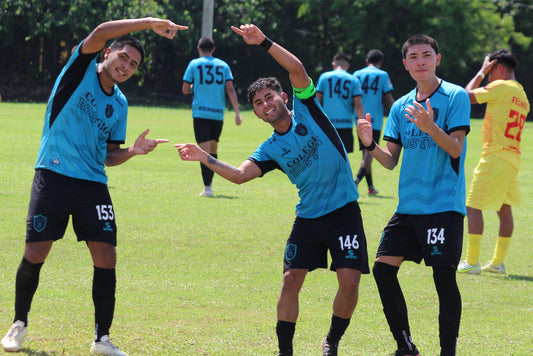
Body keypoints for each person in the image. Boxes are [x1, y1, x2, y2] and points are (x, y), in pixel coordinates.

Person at [176, 24, 369, 356]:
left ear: (283, 96)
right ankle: (285, 352)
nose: (266, 103)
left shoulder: (308, 108)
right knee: (290, 280)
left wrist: (263, 42)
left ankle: (332, 340)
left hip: (344, 213)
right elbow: (238, 175)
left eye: (270, 96)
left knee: (350, 283)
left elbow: (296, 69)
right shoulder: (270, 148)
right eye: (259, 102)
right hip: (308, 218)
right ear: (256, 112)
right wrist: (204, 156)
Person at [0, 18, 188, 355]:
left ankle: (102, 338)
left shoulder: (119, 103)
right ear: (108, 52)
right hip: (53, 175)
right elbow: (100, 31)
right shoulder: (80, 69)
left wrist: (132, 151)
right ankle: (18, 324)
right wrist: (148, 23)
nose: (126, 66)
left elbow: (109, 156)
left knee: (106, 256)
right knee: (35, 252)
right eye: (123, 58)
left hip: (92, 184)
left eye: (133, 65)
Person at [357, 34, 470, 356]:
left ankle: (447, 351)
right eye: (414, 57)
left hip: (443, 205)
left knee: (443, 279)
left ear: (438, 58)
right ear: (405, 65)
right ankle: (406, 347)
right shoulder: (401, 106)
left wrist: (431, 127)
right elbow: (391, 161)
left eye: (427, 55)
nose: (421, 61)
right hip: (409, 207)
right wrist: (369, 144)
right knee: (382, 269)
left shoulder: (455, 96)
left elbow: (456, 148)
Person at [458, 49, 530, 275]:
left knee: (473, 206)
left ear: (498, 67)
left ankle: (471, 261)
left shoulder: (502, 87)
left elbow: (465, 96)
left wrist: (480, 72)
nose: (489, 78)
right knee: (504, 209)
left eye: (491, 71)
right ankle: (497, 263)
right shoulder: (523, 95)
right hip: (512, 158)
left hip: (495, 155)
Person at [182, 37, 242, 197]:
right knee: (213, 150)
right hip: (217, 114)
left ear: (198, 48)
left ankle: (207, 188)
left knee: (204, 152)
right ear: (213, 49)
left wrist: (194, 88)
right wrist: (237, 112)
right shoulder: (223, 65)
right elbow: (230, 89)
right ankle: (209, 186)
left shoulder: (194, 64)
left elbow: (184, 89)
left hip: (201, 113)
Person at [353, 49, 395, 194]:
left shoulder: (356, 74)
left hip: (358, 118)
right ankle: (356, 180)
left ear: (367, 61)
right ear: (380, 62)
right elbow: (389, 99)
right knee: (370, 153)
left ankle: (370, 187)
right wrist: (398, 113)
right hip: (374, 119)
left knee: (366, 152)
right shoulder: (382, 75)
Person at [316, 53, 365, 154]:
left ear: (334, 64)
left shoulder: (324, 77)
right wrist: (363, 125)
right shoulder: (353, 80)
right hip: (346, 125)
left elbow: (316, 101)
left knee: (328, 156)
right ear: (347, 66)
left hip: (328, 125)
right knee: (344, 159)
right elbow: (358, 106)